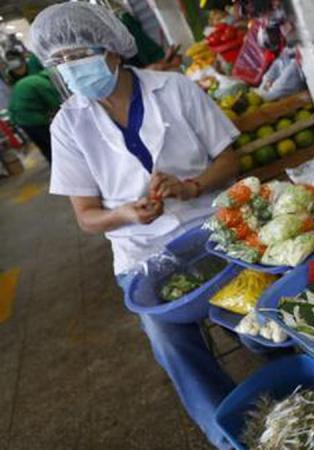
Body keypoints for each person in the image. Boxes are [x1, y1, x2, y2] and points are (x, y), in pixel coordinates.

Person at [29, 3, 240, 448]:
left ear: (110, 49)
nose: (70, 68)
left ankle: (296, 387)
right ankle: (229, 434)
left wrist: (191, 186)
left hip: (208, 226)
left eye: (77, 55)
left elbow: (228, 159)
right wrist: (125, 213)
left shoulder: (175, 88)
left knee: (255, 315)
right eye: (59, 61)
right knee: (168, 339)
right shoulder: (69, 125)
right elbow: (87, 216)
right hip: (142, 251)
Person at [8, 67, 62, 163]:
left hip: (20, 119)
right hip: (34, 119)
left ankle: (54, 166)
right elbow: (56, 105)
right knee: (54, 144)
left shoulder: (32, 79)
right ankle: (62, 164)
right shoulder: (44, 84)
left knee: (43, 146)